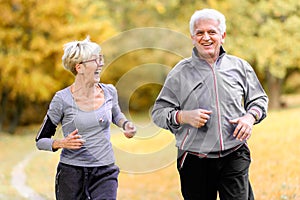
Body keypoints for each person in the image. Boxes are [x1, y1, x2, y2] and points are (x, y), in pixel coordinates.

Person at [151, 8, 268, 200]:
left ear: (222, 36)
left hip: (234, 153)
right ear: (192, 37)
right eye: (200, 33)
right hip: (194, 159)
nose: (206, 37)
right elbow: (158, 112)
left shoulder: (239, 67)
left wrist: (249, 117)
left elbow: (259, 99)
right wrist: (183, 116)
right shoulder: (179, 73)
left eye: (212, 32)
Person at [35, 36, 136, 200]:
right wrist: (61, 143)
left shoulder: (109, 91)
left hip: (105, 170)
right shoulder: (62, 99)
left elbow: (116, 114)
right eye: (95, 60)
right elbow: (40, 140)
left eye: (101, 58)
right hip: (71, 174)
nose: (101, 64)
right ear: (79, 67)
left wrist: (125, 124)